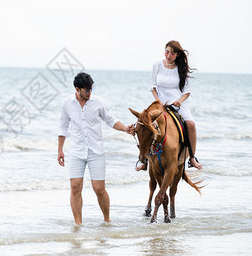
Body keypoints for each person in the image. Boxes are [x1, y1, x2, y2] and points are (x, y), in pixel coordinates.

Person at [58, 72, 134, 225]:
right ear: (77, 89)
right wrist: (60, 150)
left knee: (99, 189)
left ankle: (107, 220)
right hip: (76, 151)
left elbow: (110, 120)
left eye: (91, 89)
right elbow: (63, 126)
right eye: (86, 90)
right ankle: (78, 224)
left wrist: (126, 129)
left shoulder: (98, 102)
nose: (90, 92)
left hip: (96, 151)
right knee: (75, 186)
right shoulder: (67, 103)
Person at [136, 40, 202, 171]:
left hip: (177, 103)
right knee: (142, 125)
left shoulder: (181, 68)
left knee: (191, 124)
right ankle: (144, 160)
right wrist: (158, 101)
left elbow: (187, 91)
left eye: (172, 53)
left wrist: (179, 101)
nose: (168, 55)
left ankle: (192, 158)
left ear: (177, 54)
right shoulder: (157, 65)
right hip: (160, 104)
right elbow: (152, 86)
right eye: (167, 52)